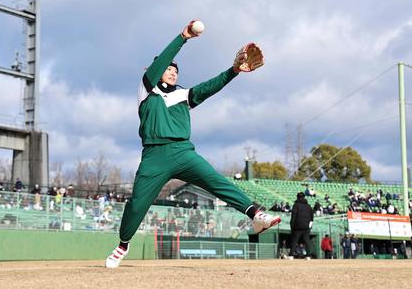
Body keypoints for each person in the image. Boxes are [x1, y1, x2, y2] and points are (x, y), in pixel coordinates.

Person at [105, 20, 280, 268]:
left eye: (176, 70)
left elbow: (210, 87)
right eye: (169, 68)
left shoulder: (182, 94)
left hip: (182, 151)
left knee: (216, 181)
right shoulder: (146, 89)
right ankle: (123, 244)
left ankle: (256, 215)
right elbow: (160, 63)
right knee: (137, 203)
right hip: (154, 155)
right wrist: (182, 37)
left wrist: (234, 71)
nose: (174, 72)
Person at [290, 192, 314, 259]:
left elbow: (293, 217)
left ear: (297, 197)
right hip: (306, 227)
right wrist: (309, 227)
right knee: (307, 241)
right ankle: (308, 256)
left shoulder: (296, 205)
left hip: (297, 227)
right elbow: (312, 218)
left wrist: (292, 226)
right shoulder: (308, 206)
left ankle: (291, 255)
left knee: (294, 241)